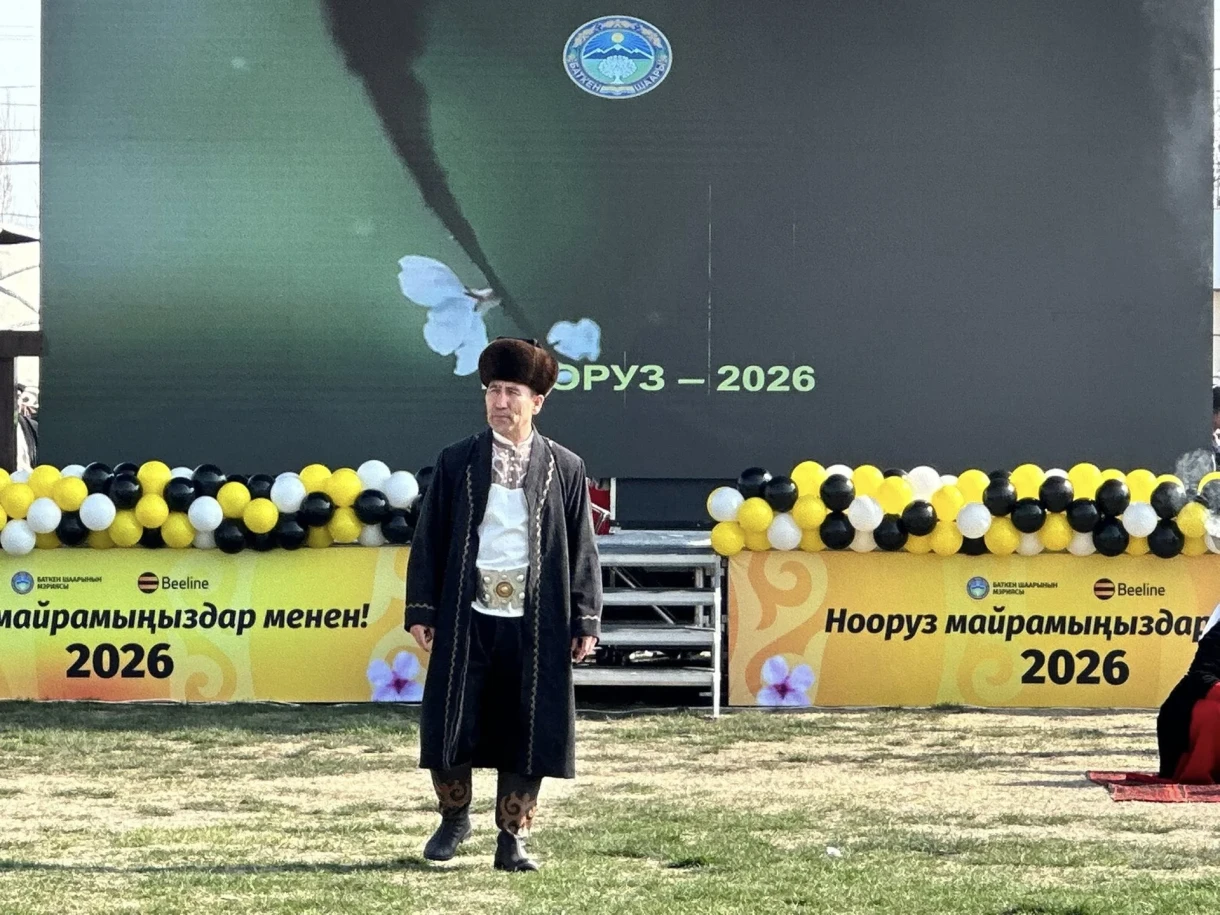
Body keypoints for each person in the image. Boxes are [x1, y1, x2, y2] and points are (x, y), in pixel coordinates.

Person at [404, 337, 602, 872]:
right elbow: (429, 539)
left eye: (512, 392)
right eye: (493, 390)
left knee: (528, 727)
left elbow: (582, 546)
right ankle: (453, 819)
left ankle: (512, 837)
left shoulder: (565, 466)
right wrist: (422, 610)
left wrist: (585, 618)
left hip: (536, 619)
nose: (500, 401)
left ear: (537, 401)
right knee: (450, 719)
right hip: (467, 613)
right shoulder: (457, 461)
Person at [1156, 605, 1220, 783]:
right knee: (1213, 712)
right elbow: (1201, 676)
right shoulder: (1216, 637)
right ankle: (1201, 769)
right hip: (1192, 703)